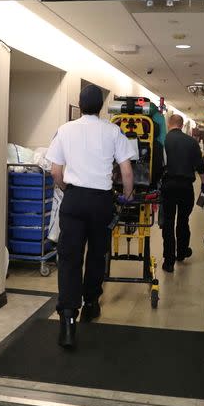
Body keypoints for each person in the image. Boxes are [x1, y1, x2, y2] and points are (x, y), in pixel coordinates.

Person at [46, 85, 137, 349]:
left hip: (74, 200)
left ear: (79, 103)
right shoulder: (112, 131)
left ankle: (67, 319)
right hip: (101, 202)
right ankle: (91, 304)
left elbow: (55, 170)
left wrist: (67, 190)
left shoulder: (65, 130)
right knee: (97, 255)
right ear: (100, 106)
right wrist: (127, 195)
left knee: (70, 258)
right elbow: (127, 171)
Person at [161, 114, 204, 273]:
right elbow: (200, 165)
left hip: (168, 186)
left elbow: (158, 164)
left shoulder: (164, 141)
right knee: (183, 220)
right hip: (186, 187)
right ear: (181, 125)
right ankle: (181, 252)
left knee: (168, 223)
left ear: (169, 124)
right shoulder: (192, 142)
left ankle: (168, 262)